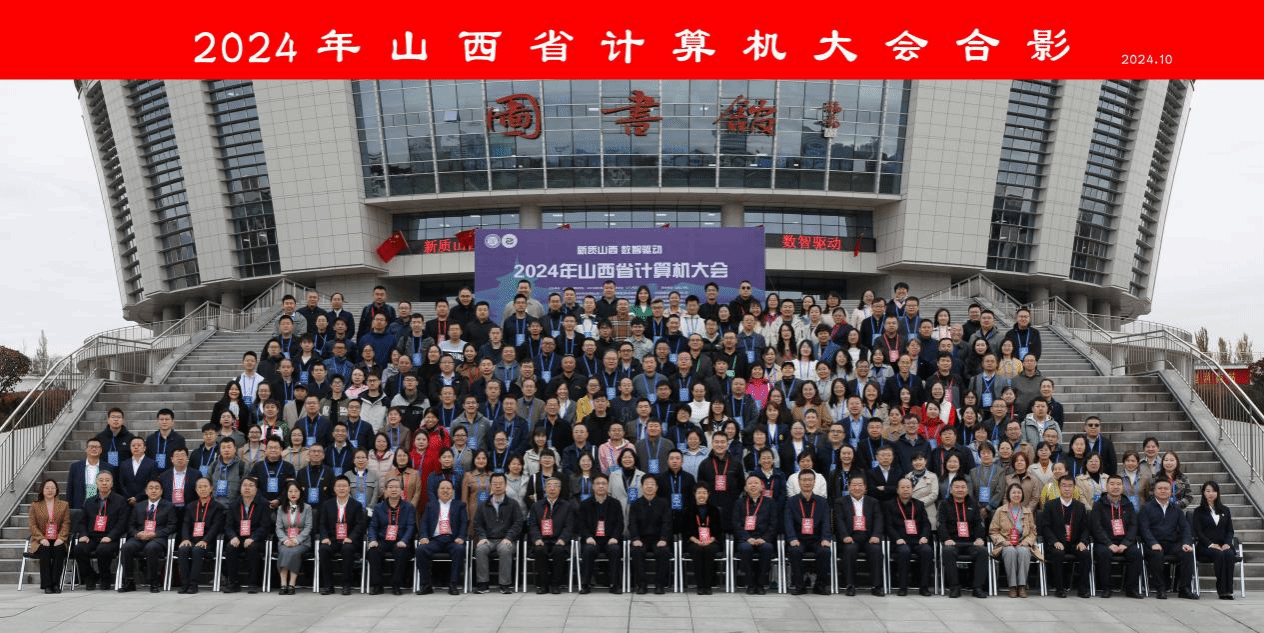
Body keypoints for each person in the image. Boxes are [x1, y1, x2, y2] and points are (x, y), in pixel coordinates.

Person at [1139, 479, 1198, 599]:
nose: (1163, 491)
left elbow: (1185, 528)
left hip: (1172, 543)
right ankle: (1161, 589)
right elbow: (1144, 529)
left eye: (1166, 489)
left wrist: (1186, 543)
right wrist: (1152, 543)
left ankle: (1184, 589)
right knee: (1157, 554)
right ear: (1154, 491)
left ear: (1171, 492)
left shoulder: (1176, 509)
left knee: (1187, 553)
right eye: (1160, 488)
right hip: (1153, 544)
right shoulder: (1146, 508)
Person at [1090, 474, 1144, 598]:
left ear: (1122, 487)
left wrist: (1126, 543)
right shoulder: (1098, 505)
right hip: (1105, 542)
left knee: (1136, 553)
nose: (1115, 487)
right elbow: (1096, 527)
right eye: (1112, 484)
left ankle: (1131, 589)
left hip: (1124, 541)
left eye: (1118, 484)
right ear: (1106, 486)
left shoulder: (1128, 504)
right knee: (1104, 553)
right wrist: (1109, 544)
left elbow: (1133, 526)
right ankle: (1106, 588)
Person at [117, 479, 175, 593]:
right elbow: (130, 525)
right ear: (146, 491)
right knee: (126, 547)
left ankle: (154, 582)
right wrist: (137, 534)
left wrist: (155, 534)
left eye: (157, 488)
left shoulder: (169, 506)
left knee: (151, 548)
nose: (153, 491)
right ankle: (129, 581)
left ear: (161, 491)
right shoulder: (138, 506)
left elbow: (172, 526)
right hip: (140, 537)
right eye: (151, 488)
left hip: (158, 538)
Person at [833, 474, 885, 596]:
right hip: (850, 537)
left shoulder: (873, 502)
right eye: (854, 485)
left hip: (868, 537)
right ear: (849, 487)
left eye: (860, 485)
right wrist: (844, 536)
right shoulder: (840, 502)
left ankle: (876, 586)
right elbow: (839, 520)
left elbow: (878, 519)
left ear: (865, 487)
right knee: (849, 550)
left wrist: (876, 535)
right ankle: (850, 585)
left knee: (876, 551)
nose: (857, 488)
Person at [1040, 475, 1092, 598]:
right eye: (1064, 486)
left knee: (1085, 553)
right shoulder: (1050, 505)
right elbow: (1046, 527)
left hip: (1074, 543)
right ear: (1059, 487)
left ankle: (1082, 589)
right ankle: (1059, 589)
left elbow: (1085, 528)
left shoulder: (1080, 506)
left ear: (1074, 488)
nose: (1067, 489)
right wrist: (1054, 541)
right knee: (1057, 553)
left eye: (1070, 486)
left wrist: (1083, 541)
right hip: (1056, 543)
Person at [473, 472, 525, 594]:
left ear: (505, 485)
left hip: (506, 539)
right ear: (490, 486)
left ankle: (504, 584)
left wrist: (509, 537)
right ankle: (483, 584)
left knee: (504, 549)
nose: (497, 486)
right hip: (489, 539)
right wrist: (482, 537)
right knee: (480, 549)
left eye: (500, 483)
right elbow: (477, 524)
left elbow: (518, 523)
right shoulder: (483, 505)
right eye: (495, 483)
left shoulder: (513, 504)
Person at [784, 470, 833, 595]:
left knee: (825, 551)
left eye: (810, 480)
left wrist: (826, 538)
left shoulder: (822, 502)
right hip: (798, 538)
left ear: (814, 482)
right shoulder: (791, 501)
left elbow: (826, 522)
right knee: (795, 551)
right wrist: (792, 538)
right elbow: (788, 521)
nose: (807, 483)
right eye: (804, 480)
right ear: (799, 482)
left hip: (816, 538)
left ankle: (820, 586)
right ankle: (799, 586)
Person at [366, 477, 418, 596]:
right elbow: (373, 526)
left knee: (401, 552)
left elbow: (411, 527)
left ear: (401, 490)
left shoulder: (408, 507)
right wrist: (372, 539)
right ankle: (377, 585)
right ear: (386, 490)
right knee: (373, 552)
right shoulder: (379, 507)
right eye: (390, 487)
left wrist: (404, 540)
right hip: (383, 540)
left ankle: (396, 585)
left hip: (400, 540)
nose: (393, 490)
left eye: (396, 487)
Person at [416, 478, 467, 595]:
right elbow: (424, 523)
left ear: (453, 491)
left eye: (448, 488)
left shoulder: (459, 505)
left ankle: (453, 585)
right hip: (435, 540)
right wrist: (423, 537)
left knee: (459, 550)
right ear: (437, 491)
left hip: (452, 540)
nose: (445, 491)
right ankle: (426, 585)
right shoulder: (431, 505)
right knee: (420, 550)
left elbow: (464, 523)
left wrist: (461, 537)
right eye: (442, 488)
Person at [939, 478, 989, 598]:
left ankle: (977, 588)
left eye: (963, 487)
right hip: (953, 542)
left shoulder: (973, 504)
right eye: (956, 487)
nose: (960, 490)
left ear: (967, 490)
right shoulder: (945, 504)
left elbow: (978, 524)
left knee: (982, 551)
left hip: (970, 542)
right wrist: (946, 539)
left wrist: (979, 538)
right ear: (951, 490)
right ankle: (954, 588)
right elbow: (941, 524)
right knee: (947, 552)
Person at [315, 476, 366, 595]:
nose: (341, 488)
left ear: (349, 488)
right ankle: (328, 585)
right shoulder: (327, 504)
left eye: (344, 486)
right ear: (334, 488)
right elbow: (322, 524)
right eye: (339, 486)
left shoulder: (356, 505)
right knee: (323, 549)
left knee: (347, 549)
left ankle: (346, 585)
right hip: (332, 539)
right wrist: (324, 537)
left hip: (349, 540)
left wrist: (351, 538)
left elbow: (360, 525)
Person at [884, 478, 933, 596]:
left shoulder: (919, 504)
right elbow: (888, 526)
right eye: (902, 487)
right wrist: (897, 538)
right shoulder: (889, 505)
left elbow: (926, 524)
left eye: (908, 487)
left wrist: (924, 536)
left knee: (927, 550)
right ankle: (903, 587)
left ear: (912, 489)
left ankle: (924, 587)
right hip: (899, 541)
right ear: (897, 490)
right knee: (904, 551)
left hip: (917, 540)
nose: (905, 490)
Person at [175, 477, 224, 593]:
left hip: (209, 541)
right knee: (183, 549)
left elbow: (216, 527)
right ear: (196, 490)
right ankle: (184, 584)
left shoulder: (218, 507)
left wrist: (205, 540)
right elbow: (186, 524)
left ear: (211, 488)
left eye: (205, 486)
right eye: (200, 487)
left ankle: (193, 584)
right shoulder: (190, 506)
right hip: (192, 539)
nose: (203, 489)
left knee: (197, 550)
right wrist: (185, 538)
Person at [578, 473, 624, 594]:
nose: (601, 486)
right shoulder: (585, 504)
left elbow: (619, 523)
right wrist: (588, 537)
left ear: (608, 486)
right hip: (592, 539)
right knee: (588, 550)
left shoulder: (615, 503)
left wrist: (615, 537)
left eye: (604, 483)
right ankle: (585, 584)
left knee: (615, 549)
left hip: (610, 539)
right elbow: (581, 524)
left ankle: (615, 584)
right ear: (593, 486)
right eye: (598, 483)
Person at [222, 476, 269, 594]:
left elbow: (265, 526)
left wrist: (253, 538)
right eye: (244, 485)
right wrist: (233, 537)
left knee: (252, 548)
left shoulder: (263, 504)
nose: (247, 488)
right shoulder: (234, 505)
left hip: (255, 539)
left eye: (251, 485)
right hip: (238, 537)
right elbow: (228, 526)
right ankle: (233, 583)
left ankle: (253, 584)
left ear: (256, 489)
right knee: (230, 547)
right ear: (240, 488)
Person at [1192, 481, 1238, 600]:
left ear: (1217, 493)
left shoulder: (1225, 510)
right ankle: (1222, 591)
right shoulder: (1198, 511)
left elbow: (1230, 530)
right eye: (1208, 491)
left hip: (1223, 544)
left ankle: (1229, 591)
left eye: (1213, 491)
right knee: (1219, 554)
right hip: (1205, 546)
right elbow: (1198, 532)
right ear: (1203, 493)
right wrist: (1211, 544)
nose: (1211, 494)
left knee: (1228, 554)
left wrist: (1227, 543)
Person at [527, 476, 573, 593]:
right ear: (545, 488)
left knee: (559, 551)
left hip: (559, 540)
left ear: (560, 489)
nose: (552, 488)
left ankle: (555, 584)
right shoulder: (536, 506)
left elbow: (569, 526)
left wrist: (563, 539)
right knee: (539, 550)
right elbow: (532, 525)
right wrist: (537, 539)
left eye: (556, 486)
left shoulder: (567, 506)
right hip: (542, 539)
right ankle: (543, 585)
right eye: (549, 485)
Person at [28, 479, 70, 593]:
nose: (50, 490)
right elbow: (32, 525)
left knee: (59, 550)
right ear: (42, 490)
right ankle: (47, 585)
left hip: (58, 539)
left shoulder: (64, 505)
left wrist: (61, 538)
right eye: (47, 488)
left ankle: (55, 584)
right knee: (45, 550)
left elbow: (66, 524)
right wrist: (41, 538)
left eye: (52, 488)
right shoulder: (35, 505)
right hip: (41, 540)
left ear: (57, 490)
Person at [682, 484, 722, 595]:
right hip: (694, 541)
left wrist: (710, 540)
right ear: (694, 494)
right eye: (699, 493)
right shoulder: (688, 510)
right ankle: (700, 585)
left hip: (711, 541)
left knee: (709, 550)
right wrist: (697, 541)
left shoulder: (714, 510)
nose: (701, 495)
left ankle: (708, 586)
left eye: (704, 493)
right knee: (698, 550)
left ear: (708, 495)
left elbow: (718, 530)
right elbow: (685, 530)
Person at [275, 481, 313, 595]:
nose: (293, 494)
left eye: (296, 491)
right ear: (286, 493)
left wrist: (297, 540)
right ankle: (283, 584)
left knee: (294, 552)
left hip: (302, 542)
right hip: (285, 541)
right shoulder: (281, 509)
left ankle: (291, 584)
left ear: (300, 493)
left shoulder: (307, 508)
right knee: (285, 551)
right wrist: (286, 540)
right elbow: (278, 528)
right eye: (290, 491)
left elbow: (308, 527)